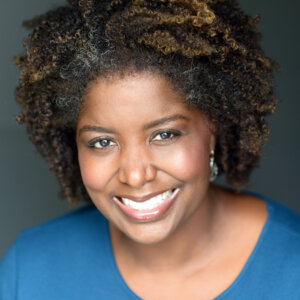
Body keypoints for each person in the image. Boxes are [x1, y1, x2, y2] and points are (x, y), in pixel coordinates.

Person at [1, 0, 299, 299]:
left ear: (212, 130)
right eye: (102, 142)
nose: (135, 175)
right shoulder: (29, 269)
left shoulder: (291, 267)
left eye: (164, 134)